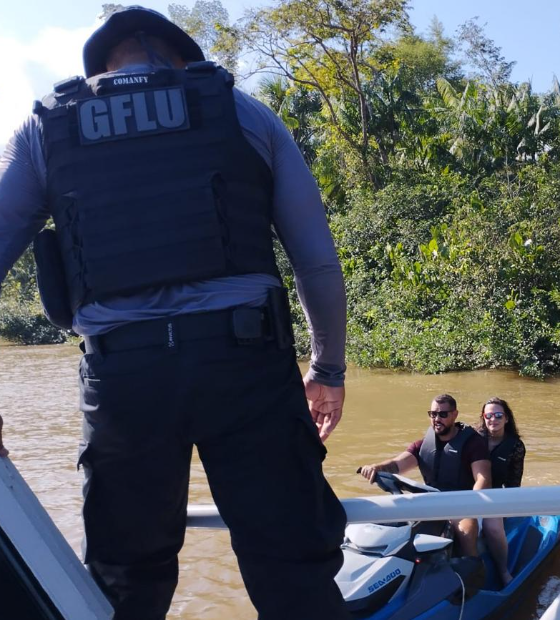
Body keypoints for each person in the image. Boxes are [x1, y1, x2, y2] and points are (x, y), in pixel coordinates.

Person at [0, 6, 350, 620]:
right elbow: (316, 264)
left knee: (125, 583)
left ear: (101, 67)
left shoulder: (44, 130)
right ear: (183, 59)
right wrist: (328, 370)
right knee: (293, 571)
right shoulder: (244, 112)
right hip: (247, 371)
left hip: (123, 383)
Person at [360, 394, 491, 557]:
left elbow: (483, 478)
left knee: (466, 529)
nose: (437, 419)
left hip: (463, 504)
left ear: (455, 414)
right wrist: (376, 467)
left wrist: (471, 502)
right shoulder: (422, 446)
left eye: (443, 414)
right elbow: (396, 465)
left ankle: (472, 571)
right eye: (433, 414)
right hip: (431, 502)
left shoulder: (473, 443)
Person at [476, 397, 526, 585]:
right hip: (469, 491)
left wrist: (507, 509)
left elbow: (514, 484)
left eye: (498, 415)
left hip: (495, 495)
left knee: (493, 529)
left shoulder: (515, 446)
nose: (493, 419)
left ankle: (503, 570)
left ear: (506, 418)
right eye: (489, 415)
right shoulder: (473, 438)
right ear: (483, 417)